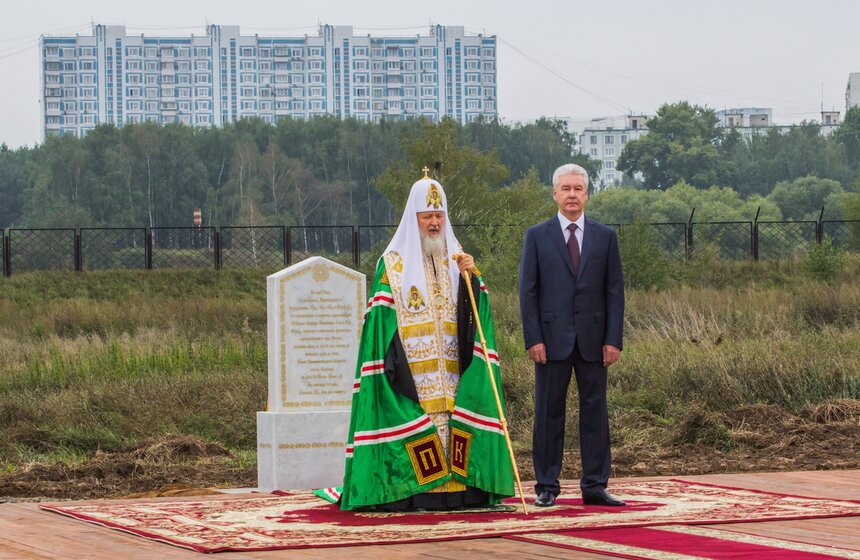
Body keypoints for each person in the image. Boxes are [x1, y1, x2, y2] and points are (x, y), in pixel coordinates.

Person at [329, 170, 514, 511]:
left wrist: (473, 279)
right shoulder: (393, 265)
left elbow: (478, 312)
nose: (433, 223)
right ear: (414, 218)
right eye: (427, 215)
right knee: (421, 424)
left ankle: (460, 493)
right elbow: (378, 322)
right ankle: (415, 492)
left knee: (453, 423)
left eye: (439, 215)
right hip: (411, 371)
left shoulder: (460, 259)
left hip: (454, 370)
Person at [518, 163, 625, 508]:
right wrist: (533, 338)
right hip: (550, 341)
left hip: (595, 341)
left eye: (578, 189)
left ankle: (595, 485)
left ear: (587, 194)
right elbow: (527, 292)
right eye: (566, 189)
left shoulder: (605, 237)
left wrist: (613, 338)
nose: (572, 195)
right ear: (555, 194)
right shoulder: (537, 236)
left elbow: (614, 292)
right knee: (549, 414)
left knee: (595, 414)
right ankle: (547, 486)